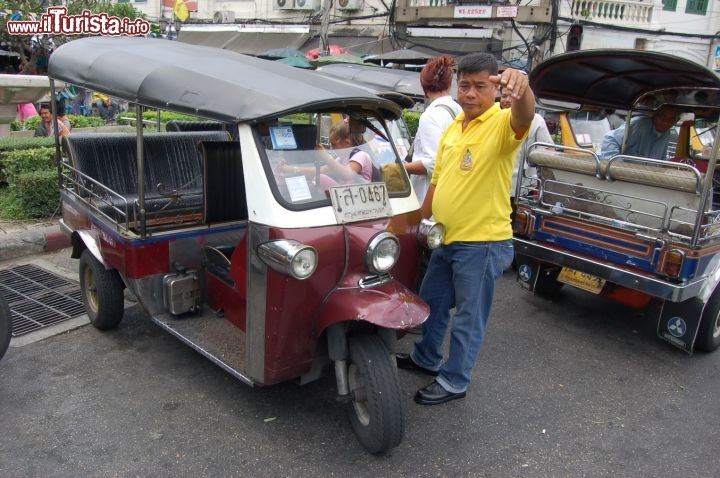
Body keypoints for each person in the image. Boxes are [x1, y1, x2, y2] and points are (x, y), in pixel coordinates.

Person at [396, 52, 535, 405]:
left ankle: (455, 379)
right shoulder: (454, 129)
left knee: (469, 318)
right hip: (445, 237)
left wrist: (523, 86)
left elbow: (525, 116)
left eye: (480, 86)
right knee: (432, 302)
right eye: (465, 85)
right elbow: (438, 183)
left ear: (495, 87)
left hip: (483, 242)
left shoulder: (502, 123)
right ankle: (426, 357)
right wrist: (414, 225)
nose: (470, 93)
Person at [404, 56, 462, 203]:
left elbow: (433, 163)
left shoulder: (430, 116)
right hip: (454, 191)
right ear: (449, 84)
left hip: (429, 195)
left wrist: (402, 168)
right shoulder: (459, 111)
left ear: (425, 88)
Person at [284, 120, 373, 188]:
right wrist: (289, 169)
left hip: (358, 201)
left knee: (320, 179)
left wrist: (326, 157)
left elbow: (347, 174)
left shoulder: (361, 155)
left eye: (334, 144)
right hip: (349, 198)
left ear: (347, 142)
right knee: (318, 177)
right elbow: (320, 170)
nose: (332, 148)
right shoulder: (342, 159)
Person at [500, 89, 553, 200]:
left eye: (512, 96)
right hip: (496, 187)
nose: (507, 100)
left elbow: (548, 152)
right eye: (504, 96)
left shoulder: (537, 120)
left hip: (521, 188)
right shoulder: (496, 118)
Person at [599, 105, 681, 160]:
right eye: (662, 116)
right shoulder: (640, 124)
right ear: (655, 115)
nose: (666, 122)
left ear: (676, 121)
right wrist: (616, 166)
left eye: (672, 119)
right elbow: (610, 138)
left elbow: (661, 161)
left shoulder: (666, 133)